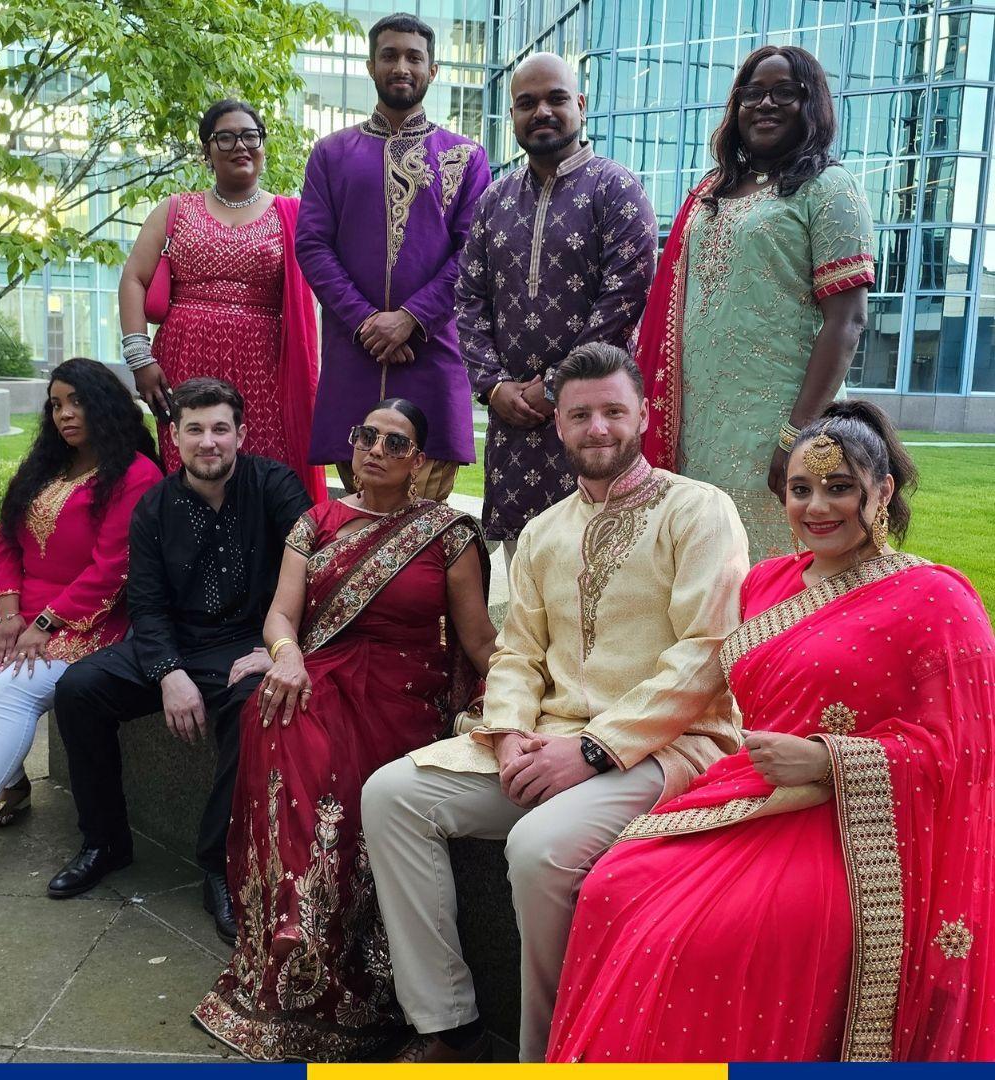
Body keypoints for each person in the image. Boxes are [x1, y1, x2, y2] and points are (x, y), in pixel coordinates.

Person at [548, 401, 995, 1063]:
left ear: (883, 492)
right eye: (801, 489)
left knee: (706, 937)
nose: (819, 507)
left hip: (852, 826)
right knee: (615, 887)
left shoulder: (936, 597)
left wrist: (828, 760)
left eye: (840, 488)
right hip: (745, 795)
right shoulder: (767, 583)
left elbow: (968, 748)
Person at [360, 343, 749, 1062]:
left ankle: (548, 1055)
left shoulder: (700, 511)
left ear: (642, 415)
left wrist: (594, 750)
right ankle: (446, 1020)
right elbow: (516, 653)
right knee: (391, 795)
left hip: (668, 747)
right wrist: (507, 735)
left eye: (612, 412)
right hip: (547, 744)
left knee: (537, 849)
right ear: (558, 427)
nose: (597, 428)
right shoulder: (543, 531)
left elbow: (708, 654)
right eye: (580, 415)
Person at [193, 398, 497, 1062]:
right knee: (280, 723)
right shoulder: (316, 521)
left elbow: (477, 641)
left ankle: (359, 971)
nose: (376, 450)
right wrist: (289, 656)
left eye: (396, 442)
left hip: (402, 695)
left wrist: (524, 702)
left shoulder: (444, 533)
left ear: (418, 460)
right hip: (319, 674)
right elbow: (280, 617)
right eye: (367, 435)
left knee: (337, 766)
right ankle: (291, 958)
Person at [47, 378, 311, 945]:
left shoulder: (275, 487)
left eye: (220, 428)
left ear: (242, 433)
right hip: (177, 644)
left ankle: (218, 863)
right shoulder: (155, 507)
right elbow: (145, 602)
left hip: (251, 645)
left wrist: (277, 650)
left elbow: (316, 575)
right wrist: (168, 672)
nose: (208, 442)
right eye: (195, 429)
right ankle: (105, 841)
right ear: (175, 437)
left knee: (257, 710)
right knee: (78, 688)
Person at [0, 358, 162, 887]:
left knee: (12, 694)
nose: (65, 415)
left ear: (106, 404)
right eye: (55, 404)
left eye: (76, 402)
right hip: (20, 616)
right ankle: (16, 785)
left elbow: (112, 567)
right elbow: (5, 541)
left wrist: (46, 623)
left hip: (90, 621)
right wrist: (9, 612)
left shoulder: (137, 474)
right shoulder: (47, 465)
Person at [636, 46, 875, 562]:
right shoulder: (709, 193)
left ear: (812, 104)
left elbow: (848, 322)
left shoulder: (829, 189)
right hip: (691, 426)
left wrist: (798, 435)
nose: (766, 104)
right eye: (753, 93)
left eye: (784, 92)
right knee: (702, 565)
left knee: (775, 567)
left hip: (776, 425)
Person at [457, 53, 657, 559]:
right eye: (527, 103)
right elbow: (469, 299)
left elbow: (624, 298)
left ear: (582, 106)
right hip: (513, 419)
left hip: (593, 414)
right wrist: (493, 385)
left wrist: (556, 388)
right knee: (523, 564)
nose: (542, 111)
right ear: (513, 116)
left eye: (556, 98)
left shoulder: (617, 189)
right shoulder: (494, 200)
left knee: (603, 556)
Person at [296, 13, 491, 502]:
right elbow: (312, 245)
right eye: (389, 55)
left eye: (413, 57)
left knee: (424, 522)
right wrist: (367, 321)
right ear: (370, 66)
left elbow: (474, 252)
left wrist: (410, 318)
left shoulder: (466, 156)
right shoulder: (331, 154)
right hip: (354, 356)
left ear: (434, 69)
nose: (401, 66)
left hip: (431, 354)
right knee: (361, 511)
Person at [118, 98, 326, 501]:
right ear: (207, 151)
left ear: (264, 146)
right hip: (182, 363)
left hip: (266, 369)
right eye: (225, 138)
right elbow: (134, 278)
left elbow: (331, 280)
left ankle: (267, 563)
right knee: (194, 464)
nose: (240, 146)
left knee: (263, 472)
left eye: (250, 136)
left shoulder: (294, 214)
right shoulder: (176, 209)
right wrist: (140, 358)